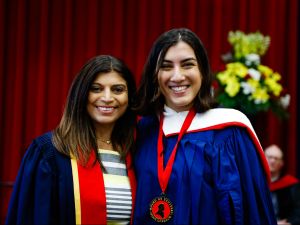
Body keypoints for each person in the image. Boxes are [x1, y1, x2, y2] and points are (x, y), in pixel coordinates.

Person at [133, 28, 276, 224]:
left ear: (202, 70)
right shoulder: (142, 131)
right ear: (154, 74)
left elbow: (253, 211)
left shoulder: (230, 131)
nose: (177, 76)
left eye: (187, 65)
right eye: (166, 67)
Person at [5, 55, 137, 225]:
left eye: (118, 90)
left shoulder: (135, 151)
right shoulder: (50, 152)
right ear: (81, 94)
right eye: (96, 89)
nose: (107, 97)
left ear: (129, 97)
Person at [265, 144, 300, 225]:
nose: (272, 161)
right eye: (269, 157)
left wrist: (289, 222)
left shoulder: (291, 184)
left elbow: (298, 211)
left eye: (276, 158)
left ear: (281, 163)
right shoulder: (253, 184)